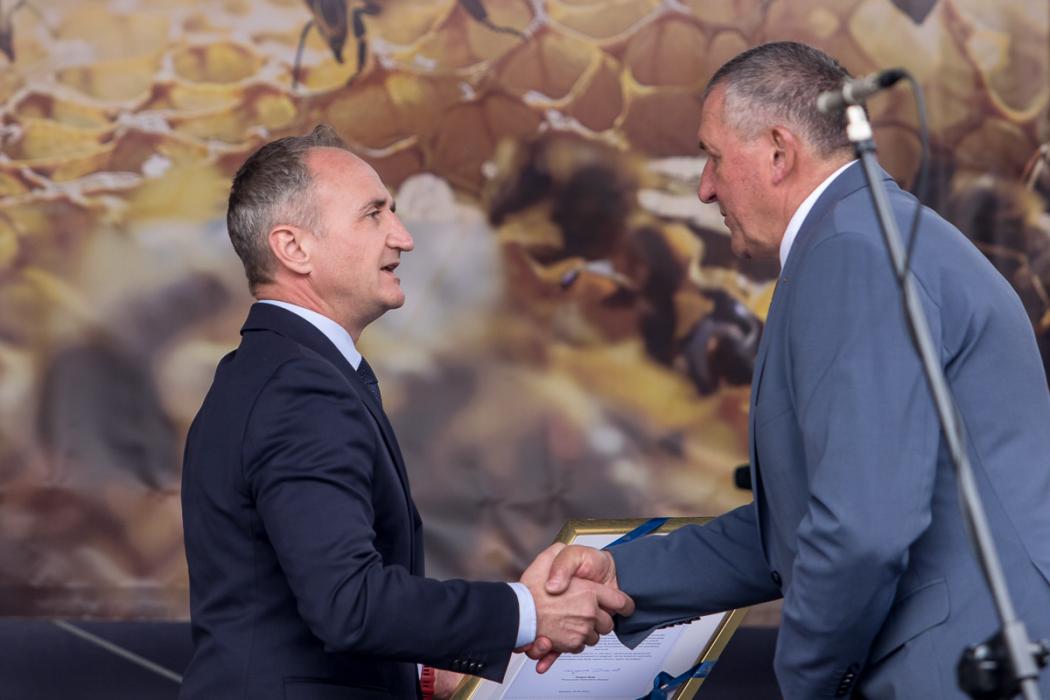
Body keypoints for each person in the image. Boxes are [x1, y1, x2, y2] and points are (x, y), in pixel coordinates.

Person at [531, 41, 1050, 698]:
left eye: (714, 157)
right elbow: (804, 527)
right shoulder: (866, 235)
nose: (705, 187)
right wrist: (620, 576)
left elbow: (861, 530)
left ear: (779, 151)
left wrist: (806, 681)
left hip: (961, 673)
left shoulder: (851, 251)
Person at [179, 125, 633, 700]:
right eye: (374, 214)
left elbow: (296, 604)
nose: (405, 237)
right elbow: (348, 604)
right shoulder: (300, 387)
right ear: (294, 248)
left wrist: (421, 673)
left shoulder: (273, 371)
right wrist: (528, 611)